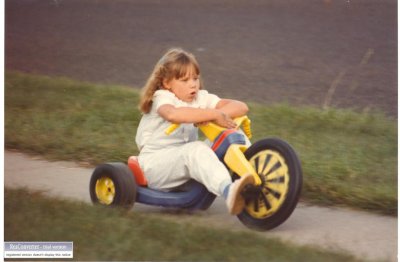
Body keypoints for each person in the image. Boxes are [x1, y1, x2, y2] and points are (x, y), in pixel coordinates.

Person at [135, 48, 254, 215]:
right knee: (196, 149)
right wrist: (212, 114)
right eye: (184, 80)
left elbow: (241, 107)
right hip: (155, 166)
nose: (193, 84)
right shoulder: (162, 97)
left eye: (195, 78)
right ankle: (230, 192)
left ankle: (253, 172)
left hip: (184, 164)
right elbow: (172, 114)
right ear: (167, 83)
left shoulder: (200, 98)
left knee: (232, 133)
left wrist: (218, 115)